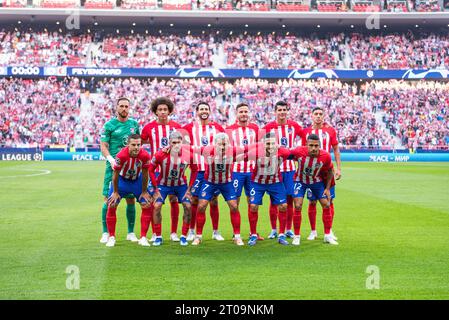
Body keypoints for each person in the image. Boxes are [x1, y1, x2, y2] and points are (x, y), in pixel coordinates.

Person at [192, 132, 246, 246]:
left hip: (226, 182)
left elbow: (249, 148)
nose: (222, 147)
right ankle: (198, 236)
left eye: (225, 144)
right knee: (201, 206)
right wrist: (170, 148)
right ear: (214, 144)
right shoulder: (207, 150)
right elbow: (189, 148)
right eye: (220, 144)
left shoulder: (233, 150)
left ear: (228, 145)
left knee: (234, 206)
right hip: (210, 182)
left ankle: (237, 236)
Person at [182, 101, 226, 242]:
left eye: (206, 109)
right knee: (194, 200)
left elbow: (225, 145)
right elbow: (181, 144)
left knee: (213, 200)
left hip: (213, 171)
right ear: (197, 111)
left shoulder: (217, 128)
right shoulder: (189, 128)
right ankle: (191, 230)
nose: (204, 111)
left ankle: (215, 231)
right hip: (196, 170)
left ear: (209, 111)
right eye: (201, 109)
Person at [141, 97, 183, 243]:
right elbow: (142, 142)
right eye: (160, 109)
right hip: (156, 170)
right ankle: (155, 233)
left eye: (165, 109)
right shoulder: (148, 128)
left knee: (174, 199)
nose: (163, 112)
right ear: (155, 112)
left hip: (173, 169)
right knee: (155, 202)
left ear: (169, 111)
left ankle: (173, 233)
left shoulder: (176, 127)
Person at [99, 97, 140, 244]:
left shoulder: (134, 124)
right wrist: (110, 159)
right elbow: (103, 145)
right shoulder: (109, 125)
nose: (124, 109)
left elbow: (138, 144)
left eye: (126, 106)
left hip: (130, 168)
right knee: (108, 200)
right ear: (116, 108)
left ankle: (130, 233)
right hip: (113, 168)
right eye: (121, 106)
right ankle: (105, 232)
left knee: (131, 199)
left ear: (129, 108)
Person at [148, 131, 198, 247]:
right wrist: (155, 189)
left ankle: (183, 237)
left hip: (180, 186)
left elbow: (195, 170)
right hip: (163, 185)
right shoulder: (161, 154)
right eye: (173, 142)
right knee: (156, 206)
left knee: (188, 206)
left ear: (182, 143)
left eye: (178, 142)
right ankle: (158, 236)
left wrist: (189, 189)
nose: (176, 145)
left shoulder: (188, 155)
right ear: (169, 143)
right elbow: (150, 169)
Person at [105, 134, 154, 247]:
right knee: (112, 204)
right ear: (128, 145)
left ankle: (143, 237)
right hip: (122, 181)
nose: (136, 147)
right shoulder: (121, 155)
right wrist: (116, 192)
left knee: (146, 204)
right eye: (133, 145)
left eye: (138, 145)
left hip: (137, 180)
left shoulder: (145, 155)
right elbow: (115, 175)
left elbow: (146, 174)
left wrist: (144, 191)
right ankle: (111, 237)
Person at [263, 101, 303, 239]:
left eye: (284, 110)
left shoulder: (294, 126)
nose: (282, 112)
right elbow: (262, 144)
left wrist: (298, 151)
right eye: (279, 110)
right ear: (275, 111)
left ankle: (288, 229)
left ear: (287, 111)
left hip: (291, 169)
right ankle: (274, 229)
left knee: (290, 199)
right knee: (274, 200)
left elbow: (304, 138)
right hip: (275, 169)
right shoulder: (269, 127)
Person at [289, 134, 337, 246]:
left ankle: (327, 235)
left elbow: (330, 171)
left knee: (326, 204)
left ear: (319, 145)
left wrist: (327, 188)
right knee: (298, 205)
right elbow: (286, 155)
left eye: (316, 146)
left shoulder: (325, 156)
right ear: (306, 145)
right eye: (311, 145)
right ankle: (297, 236)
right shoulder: (299, 151)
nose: (314, 148)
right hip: (300, 181)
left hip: (316, 182)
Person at [301, 107, 341, 241]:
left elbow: (336, 149)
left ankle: (329, 231)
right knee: (312, 201)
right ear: (311, 116)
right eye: (316, 114)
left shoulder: (330, 130)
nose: (318, 116)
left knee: (329, 200)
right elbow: (302, 152)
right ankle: (313, 231)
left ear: (324, 116)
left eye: (320, 114)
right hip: (312, 171)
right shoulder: (306, 132)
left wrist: (338, 168)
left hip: (327, 171)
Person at [226, 102, 264, 241]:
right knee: (234, 203)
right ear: (237, 114)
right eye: (241, 111)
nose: (243, 114)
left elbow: (260, 148)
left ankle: (253, 233)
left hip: (253, 172)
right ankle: (236, 234)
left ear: (249, 113)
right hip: (236, 171)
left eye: (245, 111)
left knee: (252, 203)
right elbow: (227, 150)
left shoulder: (255, 128)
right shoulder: (229, 130)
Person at [246, 132, 291, 246]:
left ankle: (281, 234)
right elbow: (241, 156)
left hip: (275, 182)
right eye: (267, 144)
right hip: (257, 183)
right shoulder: (255, 153)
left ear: (276, 144)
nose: (270, 146)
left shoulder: (283, 152)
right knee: (253, 206)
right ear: (263, 144)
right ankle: (253, 234)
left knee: (283, 206)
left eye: (272, 144)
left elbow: (292, 154)